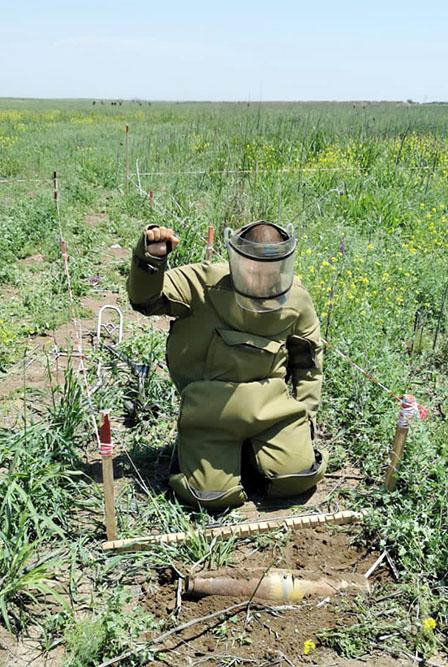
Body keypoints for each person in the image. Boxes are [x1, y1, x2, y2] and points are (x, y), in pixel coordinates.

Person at [127, 221, 327, 509]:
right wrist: (151, 258)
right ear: (236, 261)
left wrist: (306, 417)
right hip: (209, 411)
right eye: (253, 270)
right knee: (207, 496)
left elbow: (308, 362)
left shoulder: (296, 298)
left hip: (272, 410)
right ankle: (196, 452)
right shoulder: (203, 283)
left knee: (298, 477)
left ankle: (254, 455)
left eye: (271, 271)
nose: (262, 279)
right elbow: (145, 299)